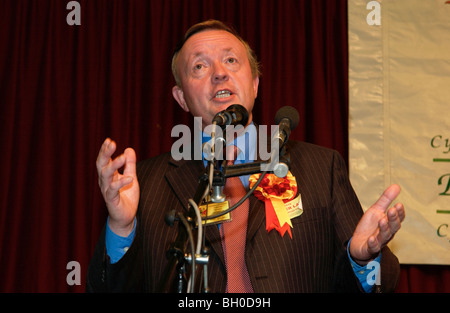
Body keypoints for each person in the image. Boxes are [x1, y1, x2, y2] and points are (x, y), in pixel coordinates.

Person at [87, 20, 405, 293]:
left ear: (254, 84)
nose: (219, 74)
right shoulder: (143, 183)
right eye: (199, 66)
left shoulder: (321, 168)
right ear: (181, 97)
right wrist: (121, 228)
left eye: (231, 61)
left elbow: (382, 283)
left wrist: (362, 260)